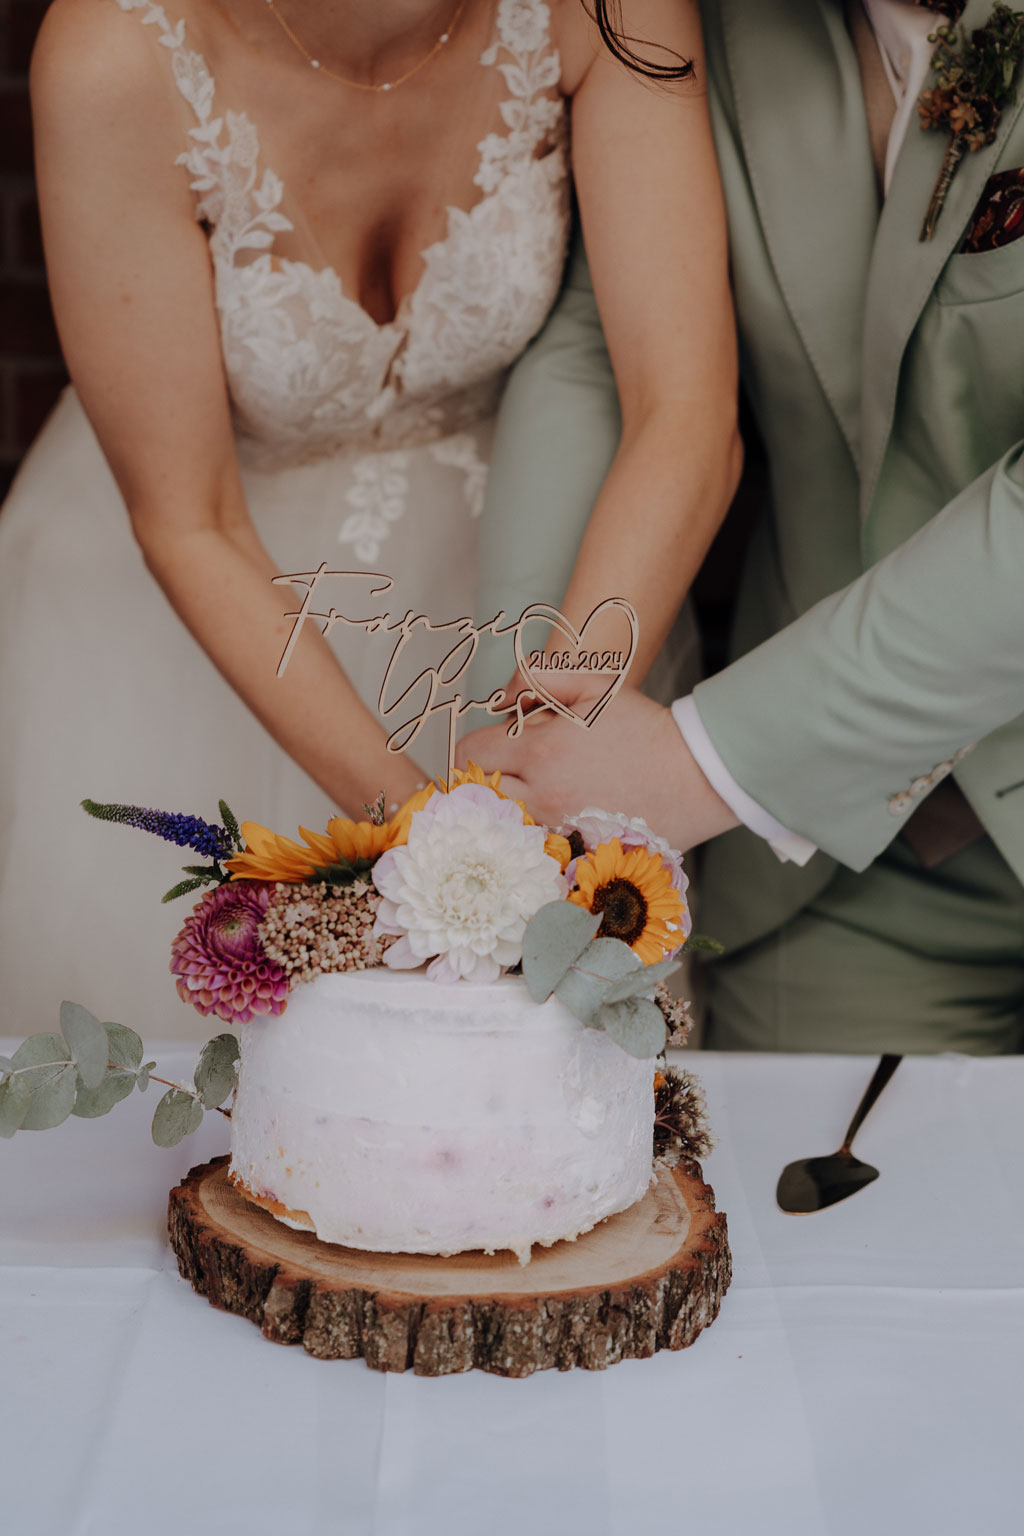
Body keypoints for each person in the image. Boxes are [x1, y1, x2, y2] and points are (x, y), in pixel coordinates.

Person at [0, 0, 740, 1038]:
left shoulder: (601, 13)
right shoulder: (115, 53)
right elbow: (190, 517)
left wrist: (558, 733)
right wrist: (441, 840)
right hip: (194, 608)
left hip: (509, 595)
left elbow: (687, 410)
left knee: (535, 1121)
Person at [460, 0, 1024, 1054]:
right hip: (845, 868)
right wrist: (540, 714)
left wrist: (700, 764)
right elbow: (607, 349)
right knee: (783, 1208)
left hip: (762, 755)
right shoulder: (700, 21)